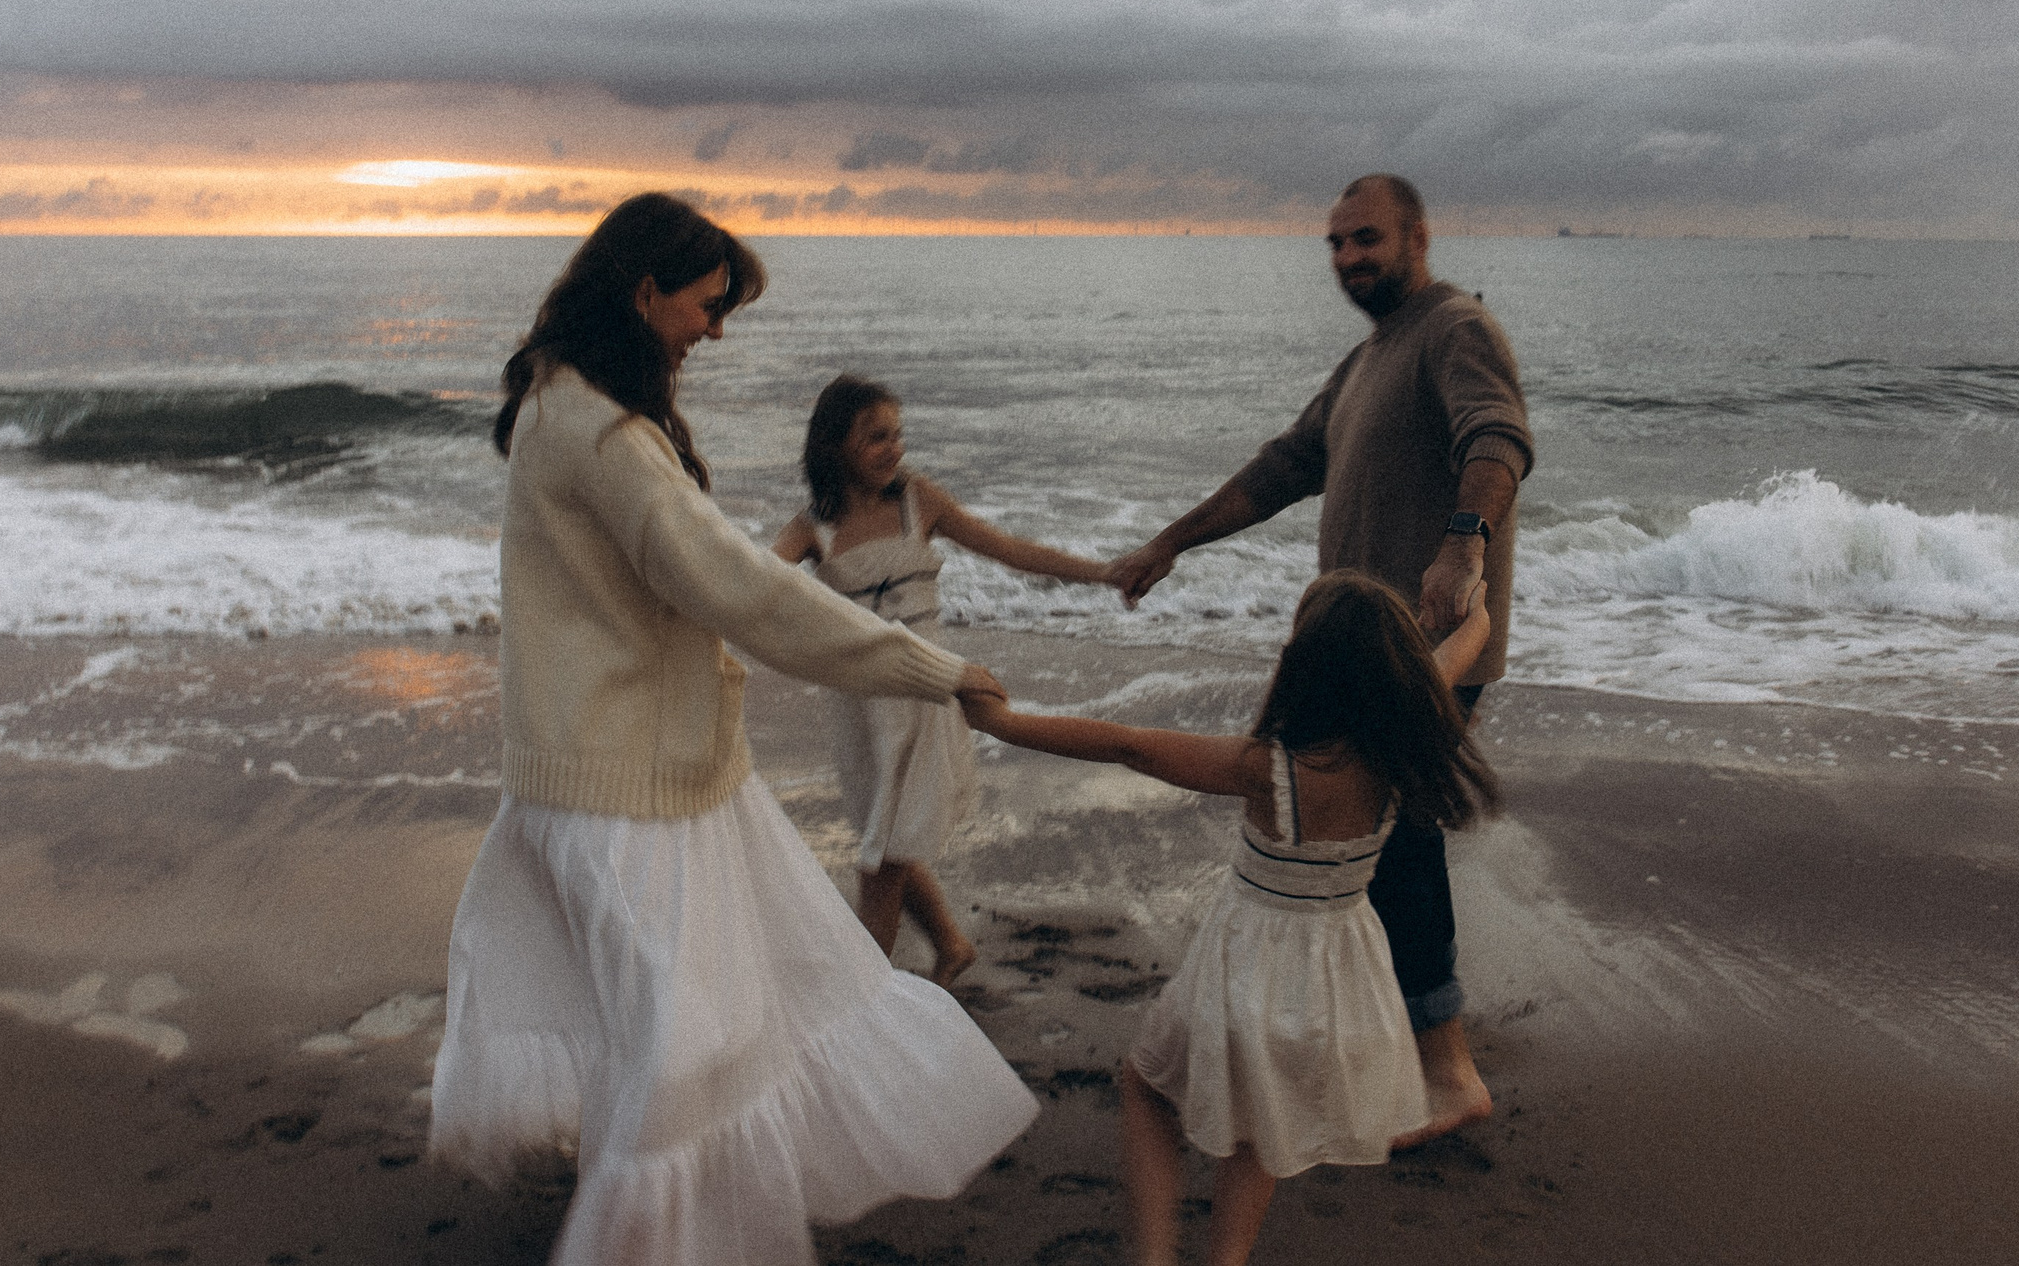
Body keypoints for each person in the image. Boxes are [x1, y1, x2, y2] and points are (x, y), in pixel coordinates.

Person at [428, 194, 1037, 1266]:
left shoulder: (548, 399)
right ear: (645, 291)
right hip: (631, 789)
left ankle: (644, 1211)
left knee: (679, 1016)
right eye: (708, 307)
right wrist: (924, 665)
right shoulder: (610, 437)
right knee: (686, 1044)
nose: (716, 330)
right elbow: (747, 591)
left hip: (608, 768)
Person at [1106, 172, 1532, 1142]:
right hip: (1359, 659)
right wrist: (1171, 540)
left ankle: (1448, 1071)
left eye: (1366, 238)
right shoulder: (1371, 354)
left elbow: (1498, 435)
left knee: (1396, 844)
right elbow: (1284, 465)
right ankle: (1383, 1046)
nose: (1348, 258)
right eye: (1335, 243)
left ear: (1417, 235)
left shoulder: (1454, 328)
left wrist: (1462, 542)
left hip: (1422, 652)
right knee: (1366, 848)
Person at [958, 571, 1499, 1266]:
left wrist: (999, 721)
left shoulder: (1266, 768)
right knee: (1260, 1127)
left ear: (1304, 666)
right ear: (1396, 672)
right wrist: (1475, 601)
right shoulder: (1406, 736)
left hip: (1252, 969)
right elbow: (1460, 648)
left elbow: (1127, 744)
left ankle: (1154, 1256)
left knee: (1146, 1085)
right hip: (1339, 982)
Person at [771, 373, 1110, 987]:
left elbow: (1009, 549)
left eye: (898, 435)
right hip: (862, 707)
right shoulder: (812, 529)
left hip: (925, 696)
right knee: (889, 834)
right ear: (834, 445)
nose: (894, 448)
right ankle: (951, 945)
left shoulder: (917, 502)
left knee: (882, 856)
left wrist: (1105, 574)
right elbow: (751, 588)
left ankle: (865, 993)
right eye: (876, 437)